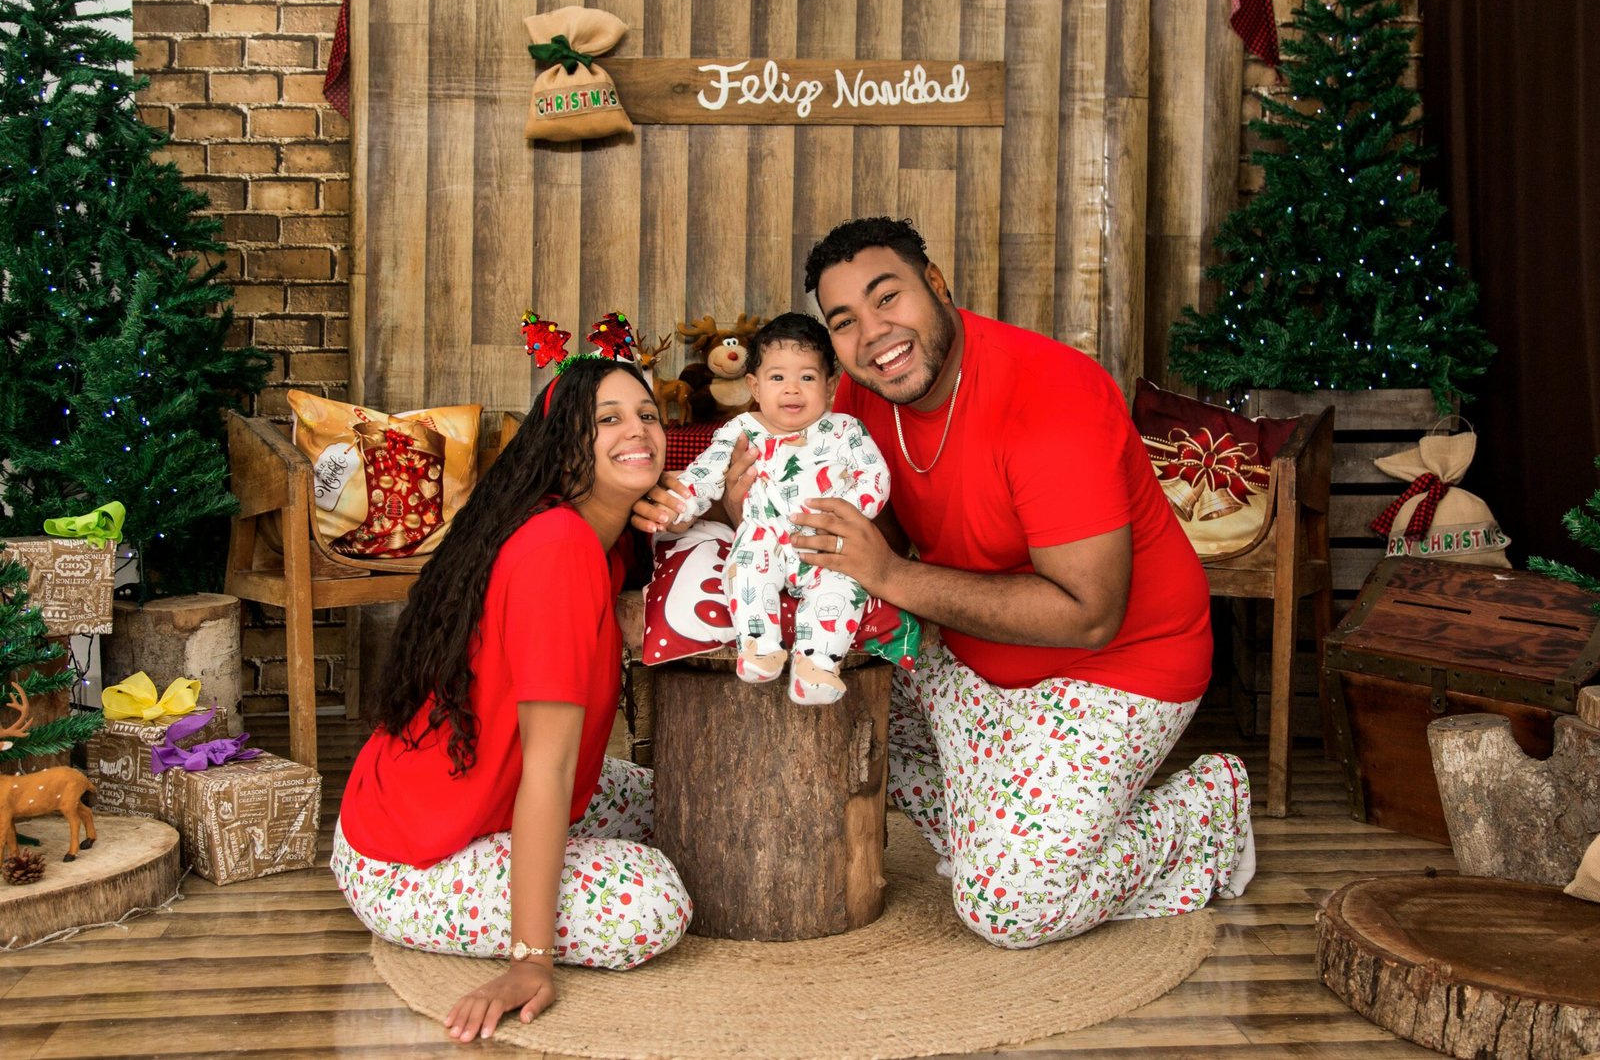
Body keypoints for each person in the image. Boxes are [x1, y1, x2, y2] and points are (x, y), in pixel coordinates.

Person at [633, 216, 1253, 949]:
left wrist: (891, 574)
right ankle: (1004, 801)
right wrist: (747, 504)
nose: (874, 334)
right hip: (967, 655)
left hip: (1118, 667)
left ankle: (1208, 809)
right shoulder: (854, 402)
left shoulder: (1051, 395)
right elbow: (864, 527)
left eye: (887, 298)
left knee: (1008, 902)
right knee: (811, 728)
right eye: (846, 322)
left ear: (936, 284)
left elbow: (1090, 614)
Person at [331, 355, 691, 1042]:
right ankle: (523, 921)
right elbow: (546, 772)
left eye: (646, 414)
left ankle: (534, 865)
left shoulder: (601, 537)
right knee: (652, 902)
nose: (636, 429)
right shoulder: (559, 547)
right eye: (606, 419)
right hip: (409, 857)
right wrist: (530, 960)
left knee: (682, 803)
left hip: (471, 792)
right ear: (563, 447)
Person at [671, 313, 890, 703]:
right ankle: (760, 645)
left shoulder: (845, 431)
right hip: (764, 534)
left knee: (842, 588)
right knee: (747, 569)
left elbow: (875, 477)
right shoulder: (742, 428)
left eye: (807, 377)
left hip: (825, 540)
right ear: (754, 385)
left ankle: (818, 664)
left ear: (830, 384)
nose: (792, 389)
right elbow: (707, 469)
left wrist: (845, 513)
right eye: (777, 378)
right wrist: (684, 497)